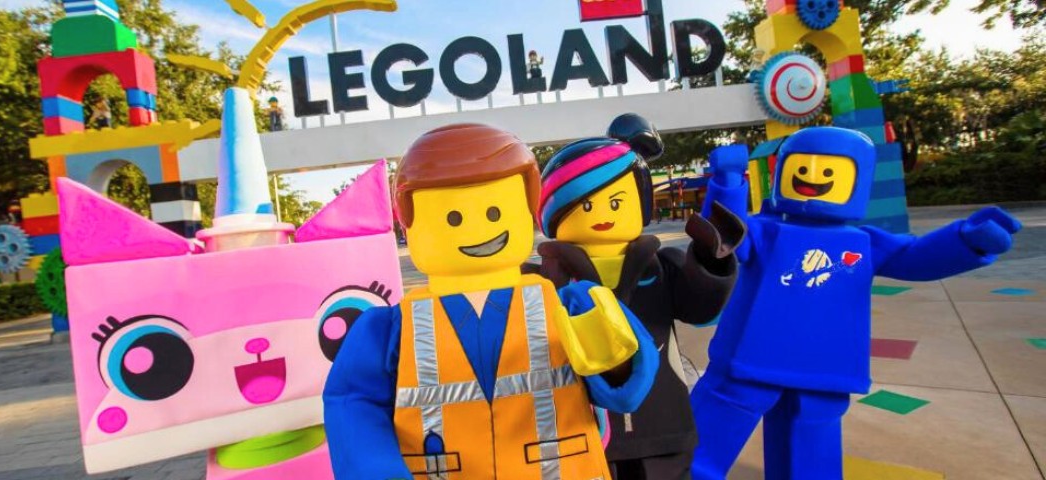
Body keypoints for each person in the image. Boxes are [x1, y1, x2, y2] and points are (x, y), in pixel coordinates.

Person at [323, 123, 659, 479]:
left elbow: (626, 393)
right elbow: (354, 408)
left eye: (495, 213)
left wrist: (614, 361)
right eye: (453, 218)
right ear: (408, 226)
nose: (478, 229)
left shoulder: (573, 304)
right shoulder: (386, 331)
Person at [691, 127, 1022, 480]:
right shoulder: (766, 231)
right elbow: (726, 234)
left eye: (829, 170)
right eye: (802, 167)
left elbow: (916, 257)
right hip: (751, 359)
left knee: (810, 450)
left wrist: (967, 241)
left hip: (823, 368)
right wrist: (727, 182)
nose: (813, 177)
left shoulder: (865, 242)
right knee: (708, 437)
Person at [531, 114, 745, 480]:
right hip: (583, 430)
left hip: (663, 423)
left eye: (617, 202)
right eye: (586, 206)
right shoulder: (545, 280)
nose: (603, 215)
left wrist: (710, 261)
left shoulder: (661, 265)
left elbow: (701, 310)